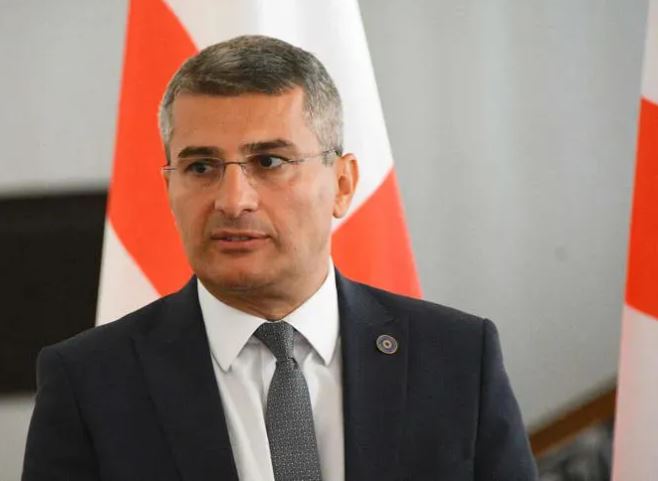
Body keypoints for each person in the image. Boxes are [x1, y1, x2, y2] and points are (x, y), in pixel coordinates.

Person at [22, 35, 537, 481]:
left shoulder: (457, 358)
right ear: (169, 189)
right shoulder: (89, 382)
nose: (232, 201)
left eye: (269, 161)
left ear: (342, 184)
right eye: (201, 167)